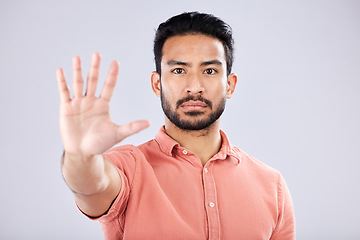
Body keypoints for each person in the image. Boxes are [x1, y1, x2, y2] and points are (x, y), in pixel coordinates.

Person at [56, 12, 295, 240]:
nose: (194, 86)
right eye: (179, 70)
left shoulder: (272, 186)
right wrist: (80, 156)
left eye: (210, 70)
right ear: (157, 83)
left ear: (230, 85)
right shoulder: (129, 168)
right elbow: (91, 186)